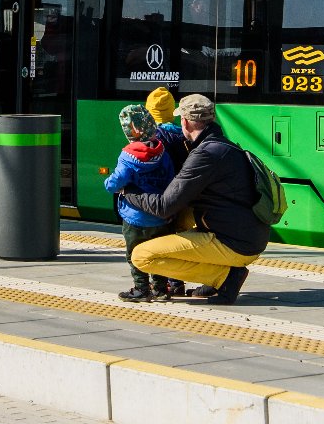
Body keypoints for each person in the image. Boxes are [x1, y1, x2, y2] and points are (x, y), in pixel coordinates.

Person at [120, 93, 267, 306]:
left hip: (235, 243)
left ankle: (224, 277)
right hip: (247, 235)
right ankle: (219, 276)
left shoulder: (205, 154)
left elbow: (164, 206)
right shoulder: (222, 145)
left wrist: (129, 193)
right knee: (182, 220)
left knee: (142, 256)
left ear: (185, 122)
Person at [103, 105, 181, 302]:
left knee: (135, 254)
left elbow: (117, 182)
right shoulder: (162, 151)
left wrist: (109, 184)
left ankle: (141, 288)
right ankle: (161, 289)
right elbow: (171, 177)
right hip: (160, 216)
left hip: (135, 217)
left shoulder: (128, 156)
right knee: (159, 254)